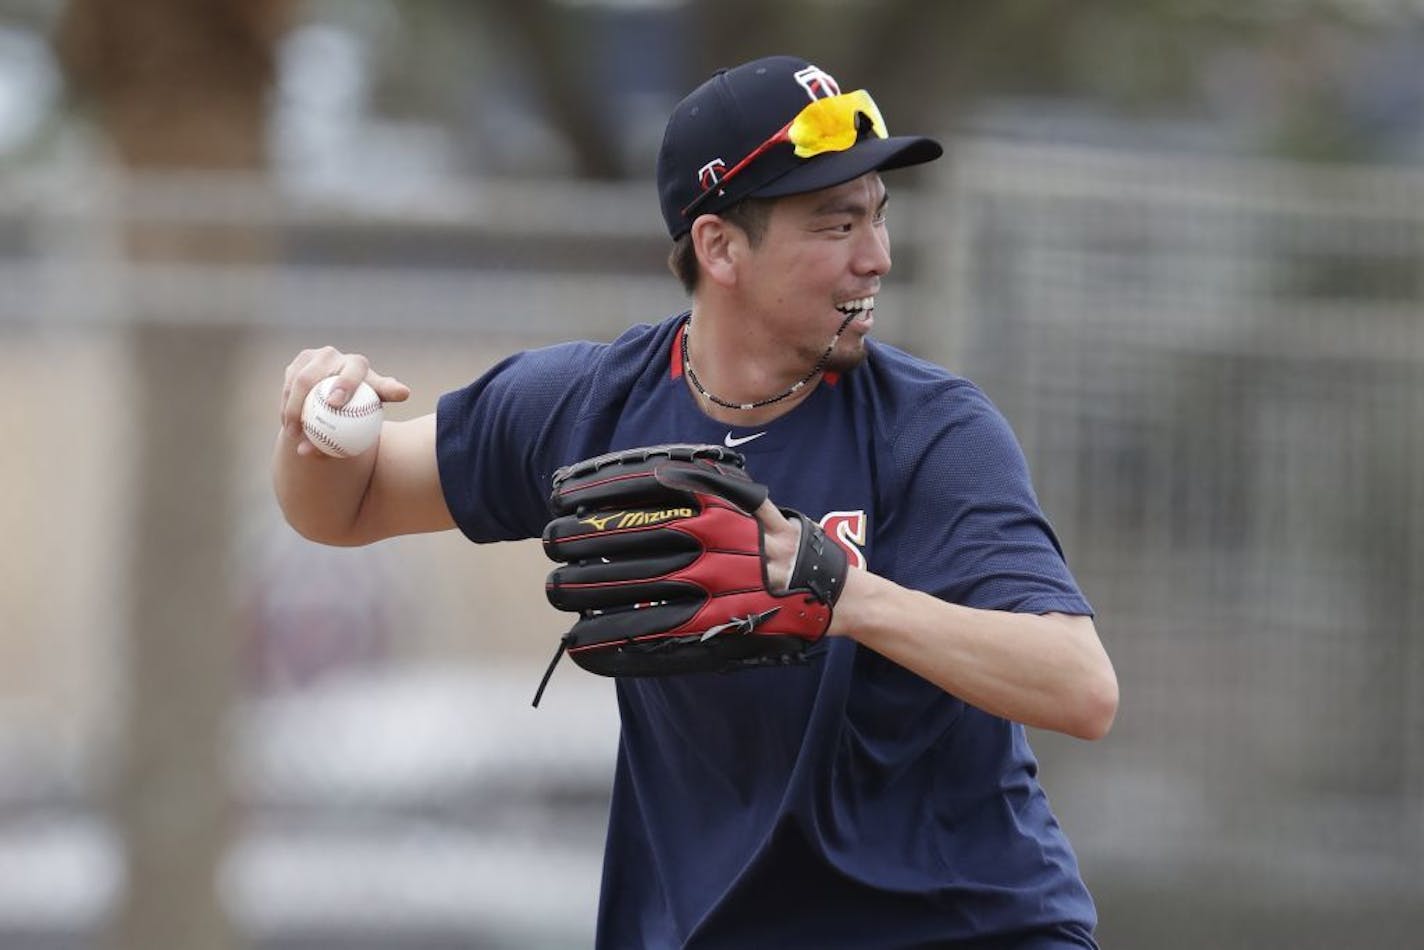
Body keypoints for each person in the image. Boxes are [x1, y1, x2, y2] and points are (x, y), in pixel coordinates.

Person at [274, 55, 1118, 949]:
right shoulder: (593, 406)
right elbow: (344, 507)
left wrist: (845, 594)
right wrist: (313, 428)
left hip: (961, 928)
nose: (878, 256)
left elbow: (1079, 686)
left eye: (877, 213)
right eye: (836, 224)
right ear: (720, 247)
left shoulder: (929, 431)